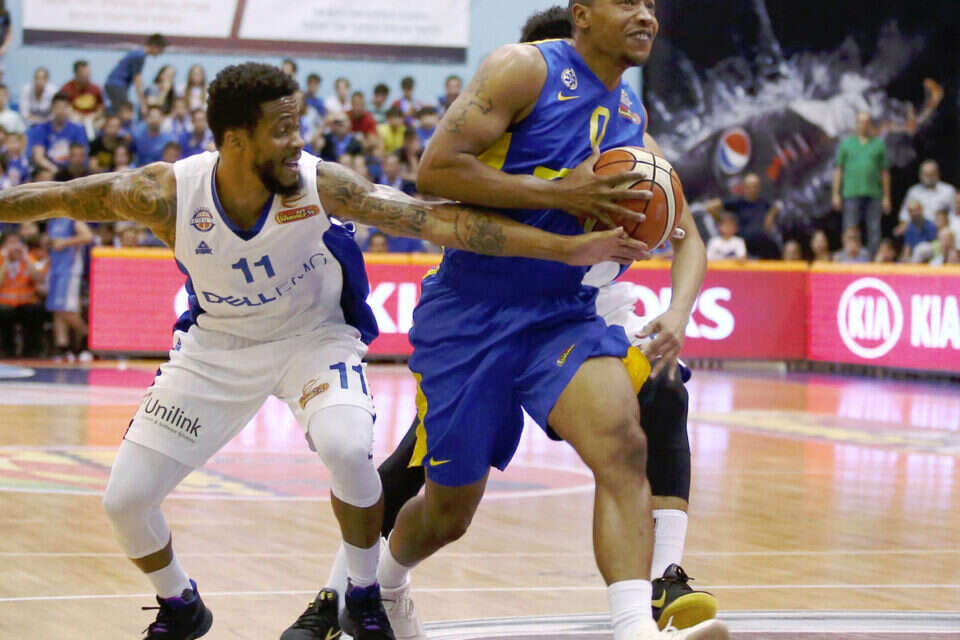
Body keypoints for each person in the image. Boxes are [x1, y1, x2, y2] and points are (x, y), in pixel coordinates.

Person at [0, 61, 644, 640]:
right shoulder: (164, 193)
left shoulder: (320, 184)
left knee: (344, 445)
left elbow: (438, 221)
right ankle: (180, 605)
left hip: (313, 339)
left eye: (298, 125)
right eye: (282, 130)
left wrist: (564, 248)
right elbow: (54, 197)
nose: (298, 141)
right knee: (124, 502)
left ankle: (360, 593)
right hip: (216, 348)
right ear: (235, 141)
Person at [337, 2, 723, 639]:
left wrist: (677, 308)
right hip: (470, 316)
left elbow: (685, 235)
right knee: (448, 513)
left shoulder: (631, 117)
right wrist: (560, 195)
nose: (645, 16)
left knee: (625, 442)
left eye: (651, 5)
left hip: (561, 315)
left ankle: (637, 623)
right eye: (627, 2)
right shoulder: (522, 69)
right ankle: (385, 583)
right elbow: (435, 170)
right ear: (582, 14)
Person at [831, 111, 891, 256]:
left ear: (870, 124)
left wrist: (886, 197)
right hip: (851, 192)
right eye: (860, 122)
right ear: (856, 124)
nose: (863, 125)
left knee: (874, 229)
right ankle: (849, 258)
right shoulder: (847, 144)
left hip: (874, 192)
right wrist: (835, 194)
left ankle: (872, 261)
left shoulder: (878, 144)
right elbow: (838, 170)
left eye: (866, 122)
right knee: (850, 228)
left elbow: (884, 172)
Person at [704, 173, 780, 258]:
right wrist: (721, 221)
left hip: (761, 247)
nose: (752, 189)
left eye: (755, 186)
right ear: (744, 187)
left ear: (759, 188)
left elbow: (776, 207)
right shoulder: (737, 201)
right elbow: (710, 207)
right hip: (740, 246)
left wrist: (770, 216)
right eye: (749, 187)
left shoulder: (764, 202)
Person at [0, 231, 46, 357]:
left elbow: (39, 279)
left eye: (17, 242)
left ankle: (31, 350)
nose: (15, 246)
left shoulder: (30, 259)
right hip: (4, 304)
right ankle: (6, 350)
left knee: (34, 310)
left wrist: (26, 259)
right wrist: (5, 261)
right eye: (11, 243)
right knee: (4, 312)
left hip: (27, 302)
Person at [104, 33, 168, 114]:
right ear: (154, 46)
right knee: (122, 113)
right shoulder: (140, 55)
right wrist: (143, 103)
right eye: (161, 50)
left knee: (117, 111)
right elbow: (137, 79)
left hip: (115, 85)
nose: (161, 53)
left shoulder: (137, 52)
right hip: (117, 85)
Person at [28, 92, 88, 174]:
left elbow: (81, 156)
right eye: (58, 107)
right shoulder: (41, 129)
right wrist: (55, 170)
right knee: (44, 175)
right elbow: (38, 157)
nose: (61, 111)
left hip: (72, 170)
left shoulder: (78, 129)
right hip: (50, 170)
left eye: (65, 107)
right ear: (52, 108)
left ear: (70, 108)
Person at [895, 160, 956, 229]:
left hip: (942, 229)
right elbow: (904, 215)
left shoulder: (949, 190)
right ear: (920, 175)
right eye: (926, 174)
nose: (929, 177)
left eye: (932, 173)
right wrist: (904, 225)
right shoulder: (914, 191)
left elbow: (954, 213)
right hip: (919, 229)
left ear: (938, 173)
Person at [59, 60, 105, 135]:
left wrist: (93, 116)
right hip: (74, 120)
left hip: (92, 120)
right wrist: (76, 116)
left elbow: (101, 108)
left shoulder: (96, 89)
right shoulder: (66, 89)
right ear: (76, 75)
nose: (88, 77)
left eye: (89, 74)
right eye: (84, 75)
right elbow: (63, 107)